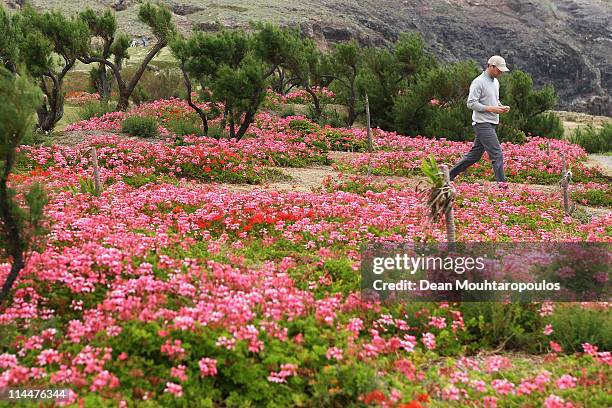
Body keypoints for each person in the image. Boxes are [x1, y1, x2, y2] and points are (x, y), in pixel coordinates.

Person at [449, 55, 510, 188]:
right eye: (499, 70)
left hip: (491, 123)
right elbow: (471, 103)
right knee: (497, 154)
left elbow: (494, 100)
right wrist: (491, 109)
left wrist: (500, 106)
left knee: (474, 156)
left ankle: (448, 176)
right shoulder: (478, 82)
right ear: (490, 66)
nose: (500, 73)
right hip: (482, 124)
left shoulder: (495, 82)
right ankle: (503, 186)